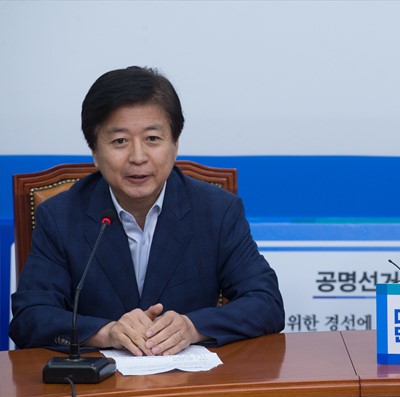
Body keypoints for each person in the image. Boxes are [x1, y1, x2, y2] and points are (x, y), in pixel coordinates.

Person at [10, 66, 285, 355]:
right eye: (120, 141)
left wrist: (192, 327)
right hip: (100, 379)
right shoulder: (61, 217)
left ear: (175, 145)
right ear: (94, 152)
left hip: (189, 378)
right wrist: (106, 333)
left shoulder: (217, 211)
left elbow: (266, 303)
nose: (138, 157)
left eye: (152, 138)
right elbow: (30, 318)